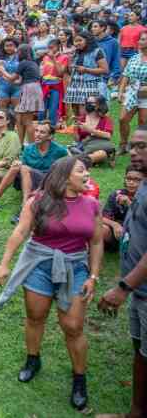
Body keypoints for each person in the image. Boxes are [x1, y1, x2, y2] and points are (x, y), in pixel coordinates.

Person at [0, 157, 103, 411]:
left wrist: (93, 276)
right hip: (38, 264)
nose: (87, 174)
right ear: (65, 176)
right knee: (35, 316)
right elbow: (20, 232)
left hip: (75, 267)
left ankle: (79, 378)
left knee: (73, 326)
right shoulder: (38, 201)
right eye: (81, 170)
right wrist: (4, 263)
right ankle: (33, 359)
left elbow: (97, 242)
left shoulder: (92, 204)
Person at [96, 125, 147, 418]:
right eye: (134, 146)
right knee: (141, 351)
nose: (135, 152)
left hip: (138, 288)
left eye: (143, 147)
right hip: (137, 289)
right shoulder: (142, 185)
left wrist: (122, 287)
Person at [0, 121, 68, 223]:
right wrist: (17, 164)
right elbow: (22, 167)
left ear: (50, 137)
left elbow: (70, 163)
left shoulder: (59, 150)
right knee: (16, 167)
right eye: (36, 131)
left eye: (42, 132)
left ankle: (25, 207)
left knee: (24, 168)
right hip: (28, 181)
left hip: (46, 182)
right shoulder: (29, 149)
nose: (37, 134)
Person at [0, 44, 43, 144]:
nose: (17, 54)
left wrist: (2, 70)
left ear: (22, 53)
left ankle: (31, 146)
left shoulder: (23, 63)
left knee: (27, 121)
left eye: (18, 52)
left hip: (28, 90)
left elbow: (12, 78)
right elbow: (18, 81)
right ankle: (20, 144)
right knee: (21, 119)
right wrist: (4, 76)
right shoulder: (33, 63)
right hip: (34, 89)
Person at [101, 167, 144, 252]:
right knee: (101, 228)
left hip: (139, 235)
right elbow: (102, 217)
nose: (131, 182)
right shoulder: (117, 194)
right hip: (118, 233)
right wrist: (114, 225)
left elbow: (143, 219)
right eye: (128, 179)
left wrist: (129, 204)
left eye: (137, 180)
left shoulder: (144, 197)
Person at [118, 30, 147, 154]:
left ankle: (140, 147)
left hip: (145, 96)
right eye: (140, 39)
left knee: (143, 122)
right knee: (122, 119)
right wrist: (121, 91)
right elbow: (126, 75)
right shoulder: (134, 57)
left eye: (143, 39)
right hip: (132, 92)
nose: (140, 41)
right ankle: (123, 144)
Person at [73, 95, 115, 166]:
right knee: (99, 155)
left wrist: (90, 130)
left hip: (99, 146)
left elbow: (108, 135)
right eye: (87, 102)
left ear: (98, 105)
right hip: (84, 146)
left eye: (91, 102)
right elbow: (77, 140)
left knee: (102, 154)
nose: (87, 104)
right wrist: (75, 129)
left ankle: (78, 159)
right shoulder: (82, 119)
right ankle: (85, 160)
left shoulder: (105, 119)